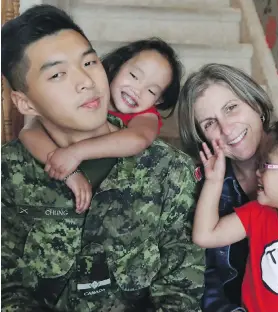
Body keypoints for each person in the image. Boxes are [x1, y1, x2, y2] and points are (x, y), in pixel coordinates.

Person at [1, 5, 205, 311]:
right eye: (58, 74)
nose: (85, 80)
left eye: (89, 61)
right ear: (25, 103)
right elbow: (7, 290)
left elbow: (181, 292)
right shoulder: (9, 173)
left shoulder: (170, 171)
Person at [19, 37, 182, 213]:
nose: (137, 90)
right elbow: (29, 132)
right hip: (66, 179)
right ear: (117, 67)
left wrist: (76, 153)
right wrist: (68, 173)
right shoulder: (86, 92)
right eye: (134, 76)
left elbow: (138, 138)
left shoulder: (146, 116)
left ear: (158, 100)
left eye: (151, 91)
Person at [193, 121, 278, 312]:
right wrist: (214, 180)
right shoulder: (256, 213)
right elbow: (204, 235)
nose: (257, 172)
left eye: (266, 165)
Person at [178, 63, 274, 311]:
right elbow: (203, 275)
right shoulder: (203, 190)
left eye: (231, 108)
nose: (227, 129)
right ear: (202, 139)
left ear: (257, 104)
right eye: (210, 123)